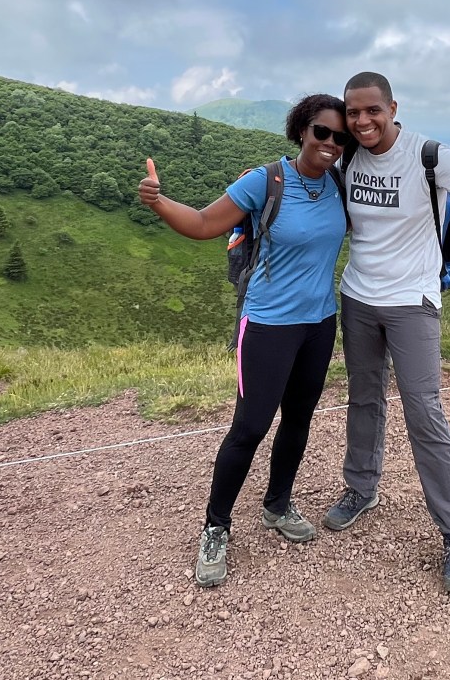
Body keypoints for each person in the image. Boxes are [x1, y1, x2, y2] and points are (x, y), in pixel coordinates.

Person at [138, 94, 350, 588]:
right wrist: (158, 201)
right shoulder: (266, 180)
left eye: (340, 138)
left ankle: (277, 504)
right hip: (268, 324)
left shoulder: (340, 182)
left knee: (298, 420)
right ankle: (216, 526)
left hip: (319, 323)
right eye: (323, 132)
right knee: (250, 427)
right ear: (302, 131)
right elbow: (204, 224)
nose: (332, 144)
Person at [323, 71, 450, 594]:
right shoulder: (346, 157)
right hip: (358, 298)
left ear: (392, 108)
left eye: (372, 111)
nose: (362, 121)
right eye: (353, 113)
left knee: (425, 411)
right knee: (363, 399)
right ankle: (361, 489)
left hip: (413, 302)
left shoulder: (431, 156)